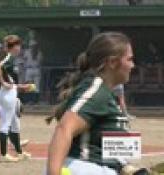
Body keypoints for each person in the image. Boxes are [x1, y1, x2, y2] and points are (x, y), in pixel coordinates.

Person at [46, 32, 148, 175]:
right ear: (112, 62)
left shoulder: (105, 93)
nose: (133, 65)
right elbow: (64, 129)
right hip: (83, 168)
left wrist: (123, 167)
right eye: (129, 59)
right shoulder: (96, 90)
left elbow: (102, 149)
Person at [0, 35, 32, 162]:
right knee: (6, 124)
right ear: (14, 46)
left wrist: (20, 86)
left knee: (15, 125)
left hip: (10, 93)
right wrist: (3, 82)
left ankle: (20, 153)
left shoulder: (11, 58)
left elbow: (9, 78)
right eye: (19, 45)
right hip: (6, 94)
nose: (20, 48)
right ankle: (3, 155)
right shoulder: (8, 57)